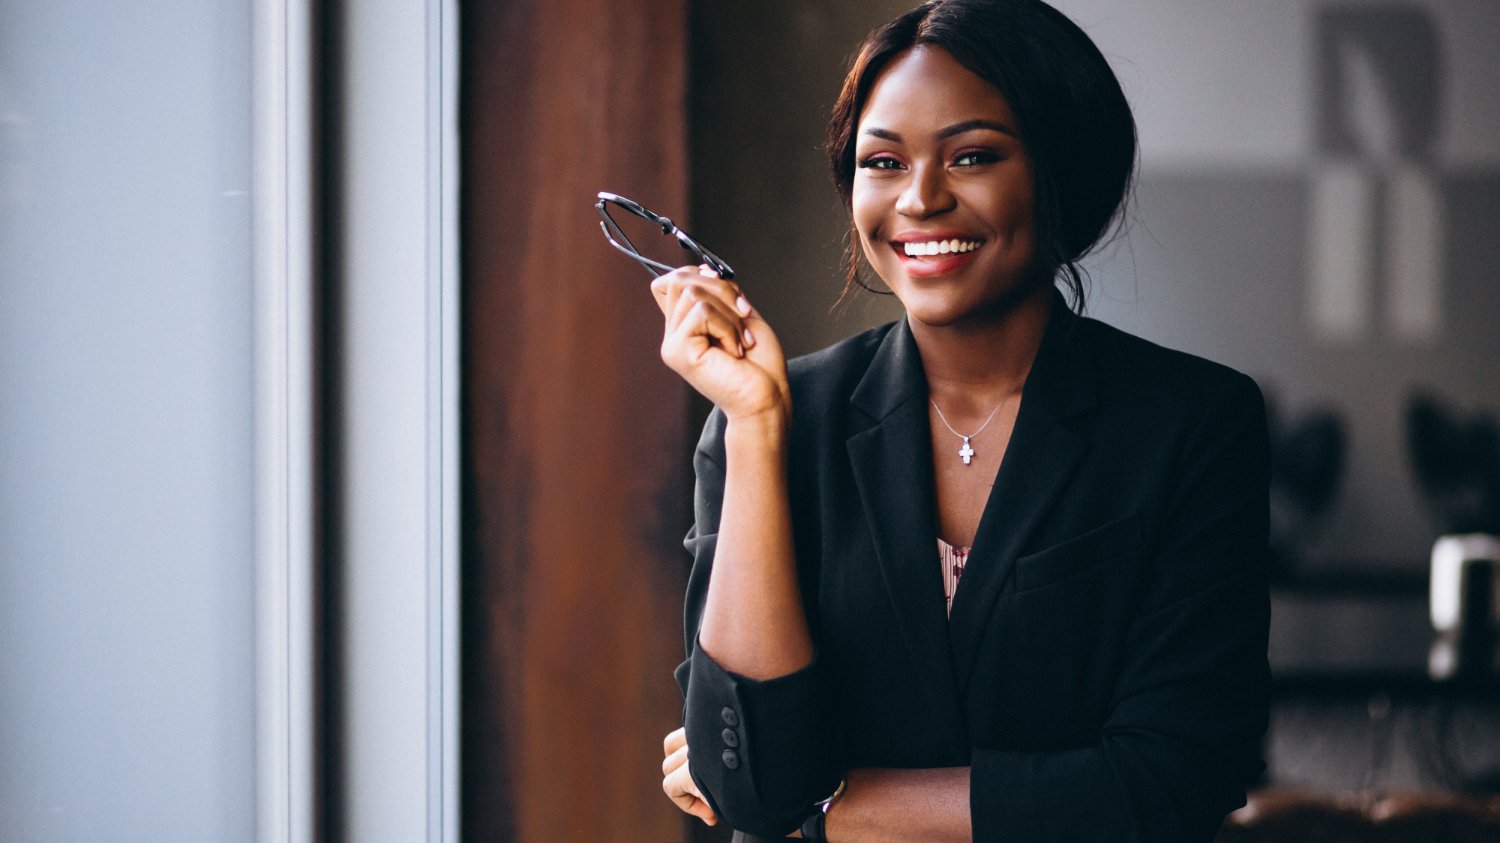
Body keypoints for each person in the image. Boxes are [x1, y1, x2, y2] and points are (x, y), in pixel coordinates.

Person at [654, 1, 1270, 840]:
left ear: (1062, 169)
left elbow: (1175, 775)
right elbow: (752, 785)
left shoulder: (1191, 423)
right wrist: (757, 429)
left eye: (972, 155)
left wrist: (832, 808)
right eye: (883, 161)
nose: (922, 198)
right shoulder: (771, 424)